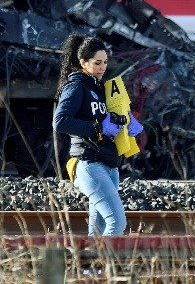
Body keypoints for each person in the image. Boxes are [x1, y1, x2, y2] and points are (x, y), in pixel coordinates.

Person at [52, 33, 143, 236]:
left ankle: (90, 268)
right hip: (88, 163)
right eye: (97, 62)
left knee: (98, 229)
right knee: (116, 224)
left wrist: (127, 121)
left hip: (109, 165)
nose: (103, 67)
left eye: (105, 62)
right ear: (83, 62)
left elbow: (110, 118)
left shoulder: (101, 88)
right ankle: (103, 266)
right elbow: (60, 122)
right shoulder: (76, 87)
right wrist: (98, 128)